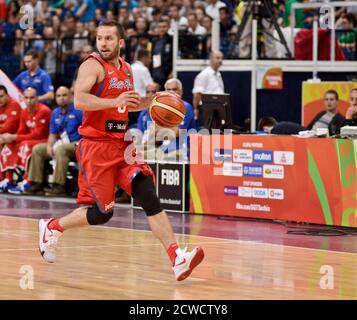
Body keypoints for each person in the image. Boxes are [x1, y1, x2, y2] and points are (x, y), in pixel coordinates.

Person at [38, 20, 204, 282]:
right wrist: (115, 100)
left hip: (122, 144)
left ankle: (177, 258)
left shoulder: (126, 69)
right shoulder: (91, 66)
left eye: (108, 38)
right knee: (101, 213)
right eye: (100, 38)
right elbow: (80, 100)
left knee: (148, 194)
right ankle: (52, 227)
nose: (103, 43)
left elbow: (126, 105)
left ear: (120, 42)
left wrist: (154, 102)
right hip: (96, 147)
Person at [24, 86, 82, 196]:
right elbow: (52, 134)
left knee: (61, 149)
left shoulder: (78, 110)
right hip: (61, 143)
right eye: (58, 96)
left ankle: (58, 186)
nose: (61, 98)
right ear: (55, 98)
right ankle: (37, 183)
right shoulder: (55, 112)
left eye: (64, 95)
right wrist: (49, 146)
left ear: (70, 96)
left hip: (77, 144)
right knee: (38, 149)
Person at [0, 87, 51, 193]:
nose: (29, 100)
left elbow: (38, 134)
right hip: (31, 140)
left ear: (37, 98)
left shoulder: (44, 111)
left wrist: (15, 137)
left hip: (45, 140)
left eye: (32, 97)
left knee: (24, 145)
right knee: (8, 145)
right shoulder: (24, 111)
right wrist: (11, 138)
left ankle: (27, 181)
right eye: (26, 98)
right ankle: (8, 179)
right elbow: (21, 131)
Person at [192, 50, 224, 121]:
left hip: (217, 110)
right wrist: (196, 110)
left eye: (221, 58)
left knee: (216, 132)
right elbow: (197, 94)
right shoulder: (205, 74)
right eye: (217, 58)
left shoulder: (218, 75)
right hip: (206, 111)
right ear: (211, 59)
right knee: (205, 131)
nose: (220, 60)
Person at [0, 85, 22, 184]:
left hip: (15, 137)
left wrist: (3, 127)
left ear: (7, 95)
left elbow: (9, 128)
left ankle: (4, 178)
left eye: (1, 96)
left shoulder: (14, 105)